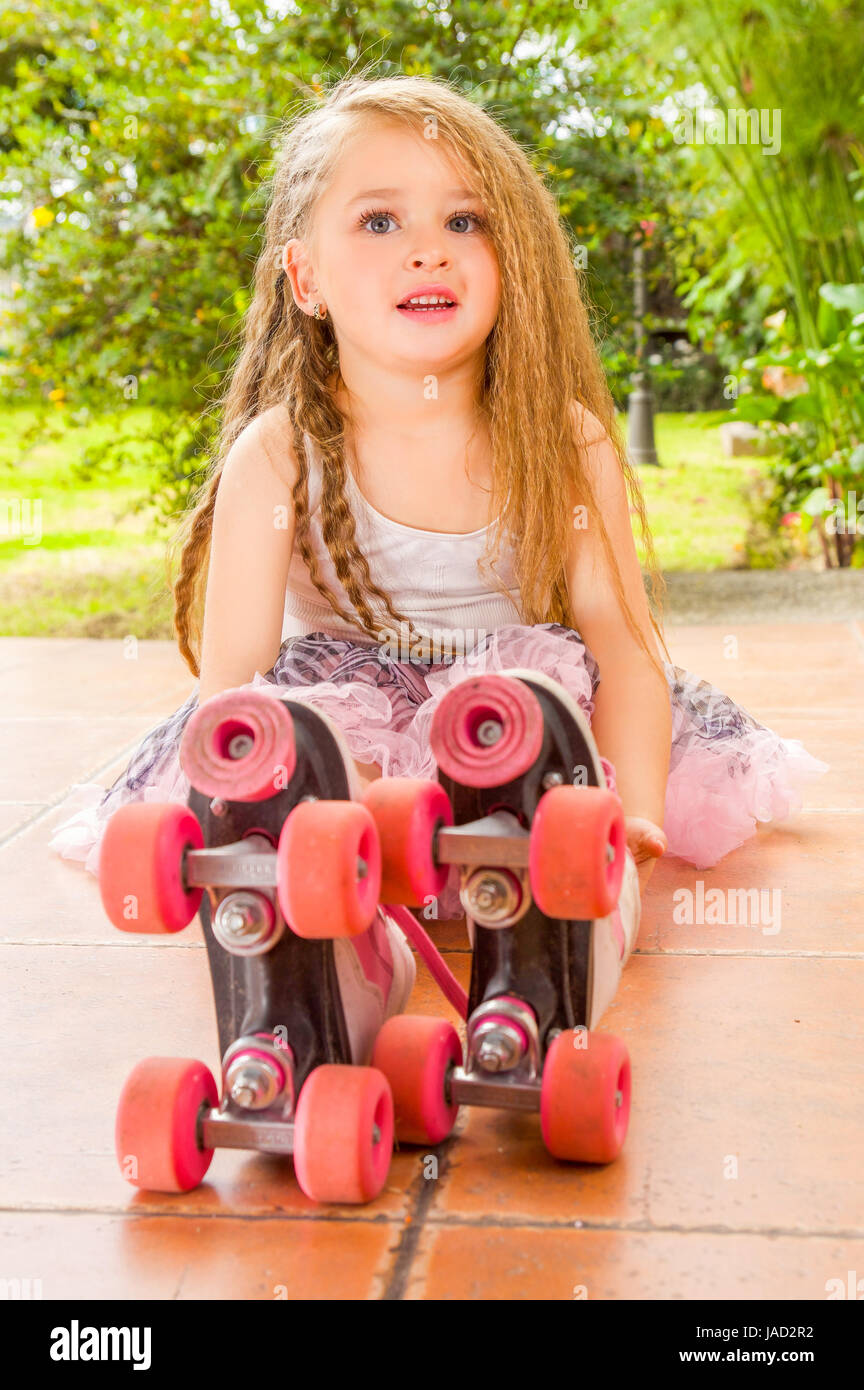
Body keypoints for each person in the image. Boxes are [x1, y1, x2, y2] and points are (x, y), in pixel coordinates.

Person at [49, 73, 828, 1045]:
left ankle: (569, 936)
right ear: (306, 280)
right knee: (310, 760)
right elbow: (232, 689)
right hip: (357, 747)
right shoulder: (280, 454)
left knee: (553, 771)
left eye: (467, 220)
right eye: (378, 222)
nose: (428, 247)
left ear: (512, 260)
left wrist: (625, 819)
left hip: (514, 720)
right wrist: (250, 810)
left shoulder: (563, 439)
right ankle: (342, 959)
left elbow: (625, 652)